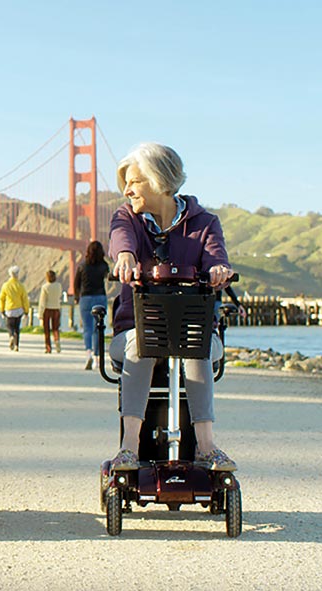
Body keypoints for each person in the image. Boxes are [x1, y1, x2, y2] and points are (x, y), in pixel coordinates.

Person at [108, 142, 236, 472]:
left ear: (158, 180)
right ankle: (129, 449)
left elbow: (216, 257)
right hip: (138, 328)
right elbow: (121, 240)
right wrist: (125, 256)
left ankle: (207, 447)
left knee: (199, 343)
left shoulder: (205, 223)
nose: (126, 190)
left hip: (190, 327)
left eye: (133, 181)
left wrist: (219, 269)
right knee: (142, 344)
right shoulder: (127, 218)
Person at [73, 240, 109, 370]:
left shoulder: (82, 266)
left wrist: (77, 297)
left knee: (87, 328)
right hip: (100, 297)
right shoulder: (104, 266)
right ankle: (96, 357)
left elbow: (76, 284)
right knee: (98, 329)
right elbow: (108, 276)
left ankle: (88, 353)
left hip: (85, 298)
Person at [0, 265, 29, 351]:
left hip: (9, 309)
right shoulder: (21, 285)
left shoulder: (5, 285)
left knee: (10, 326)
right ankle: (17, 346)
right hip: (19, 309)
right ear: (17, 274)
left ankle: (11, 336)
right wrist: (26, 310)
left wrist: (1, 309)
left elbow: (2, 298)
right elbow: (25, 299)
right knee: (17, 327)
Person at [38, 270, 63, 353]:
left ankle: (48, 347)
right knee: (55, 328)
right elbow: (59, 296)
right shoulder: (59, 286)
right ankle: (57, 340)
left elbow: (42, 302)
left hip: (47, 309)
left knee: (47, 330)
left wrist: (40, 313)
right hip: (56, 308)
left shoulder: (45, 287)